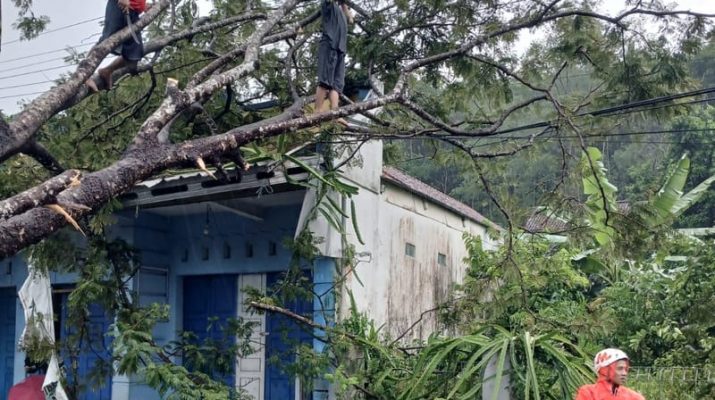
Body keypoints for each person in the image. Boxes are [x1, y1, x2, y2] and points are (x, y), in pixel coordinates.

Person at [86, 0, 149, 92]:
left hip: (133, 11)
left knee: (134, 54)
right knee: (106, 42)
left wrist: (142, 6)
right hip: (119, 6)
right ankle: (85, 76)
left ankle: (107, 71)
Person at [313, 0, 353, 121]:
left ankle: (335, 113)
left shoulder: (340, 10)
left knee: (337, 85)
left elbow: (350, 18)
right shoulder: (328, 4)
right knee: (325, 81)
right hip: (330, 45)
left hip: (340, 49)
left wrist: (347, 10)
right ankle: (318, 111)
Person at [575, 348, 645, 400]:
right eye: (619, 368)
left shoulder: (634, 397)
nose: (624, 373)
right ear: (605, 370)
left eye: (626, 369)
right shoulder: (588, 392)